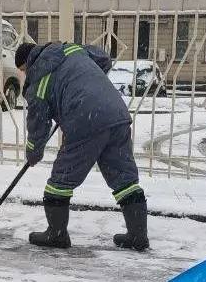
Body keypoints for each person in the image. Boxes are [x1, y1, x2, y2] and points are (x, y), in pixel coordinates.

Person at [16, 41, 149, 251]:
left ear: (27, 63)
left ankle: (56, 234)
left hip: (85, 120)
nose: (24, 74)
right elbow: (104, 59)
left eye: (23, 70)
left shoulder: (39, 77)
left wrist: (33, 152)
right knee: (124, 178)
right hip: (116, 112)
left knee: (60, 179)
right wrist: (82, 86)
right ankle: (137, 236)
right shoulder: (71, 49)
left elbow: (38, 123)